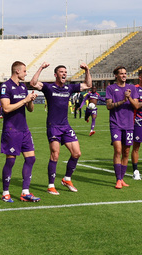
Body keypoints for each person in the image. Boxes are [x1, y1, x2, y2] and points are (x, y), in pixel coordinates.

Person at [30, 62, 92, 195]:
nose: (64, 74)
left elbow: (88, 85)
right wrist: (41, 68)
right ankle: (51, 185)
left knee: (77, 153)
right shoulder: (48, 87)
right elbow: (33, 83)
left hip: (65, 126)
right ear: (55, 75)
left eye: (65, 72)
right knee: (55, 155)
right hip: (53, 126)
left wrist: (87, 70)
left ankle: (67, 178)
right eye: (61, 72)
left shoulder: (69, 88)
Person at [0, 61, 40, 202]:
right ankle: (5, 193)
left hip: (24, 130)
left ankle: (25, 192)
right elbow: (6, 108)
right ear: (17, 71)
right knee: (11, 161)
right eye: (24, 71)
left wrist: (30, 100)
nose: (26, 73)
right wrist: (24, 100)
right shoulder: (6, 86)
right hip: (11, 130)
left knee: (31, 159)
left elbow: (30, 109)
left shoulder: (23, 87)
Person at [106, 66, 139, 189]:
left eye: (125, 73)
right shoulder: (110, 88)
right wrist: (123, 100)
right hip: (116, 124)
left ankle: (122, 178)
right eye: (121, 74)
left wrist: (129, 97)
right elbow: (109, 106)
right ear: (116, 75)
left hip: (129, 125)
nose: (124, 75)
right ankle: (118, 179)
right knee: (118, 150)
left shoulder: (132, 88)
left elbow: (136, 105)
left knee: (126, 152)